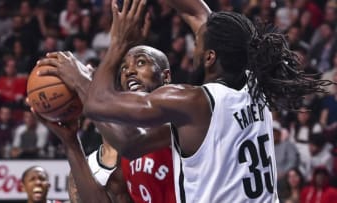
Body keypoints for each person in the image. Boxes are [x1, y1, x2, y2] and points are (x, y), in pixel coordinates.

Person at [37, 0, 332, 202]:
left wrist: (102, 57)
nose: (193, 45)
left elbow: (104, 111)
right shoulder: (253, 85)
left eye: (198, 42)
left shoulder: (193, 102)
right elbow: (199, 14)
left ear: (210, 57)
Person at [33, 45, 176, 203]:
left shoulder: (183, 115)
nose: (129, 71)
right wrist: (71, 143)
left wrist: (84, 83)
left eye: (141, 63)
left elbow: (130, 141)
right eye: (123, 68)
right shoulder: (126, 159)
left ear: (166, 76)